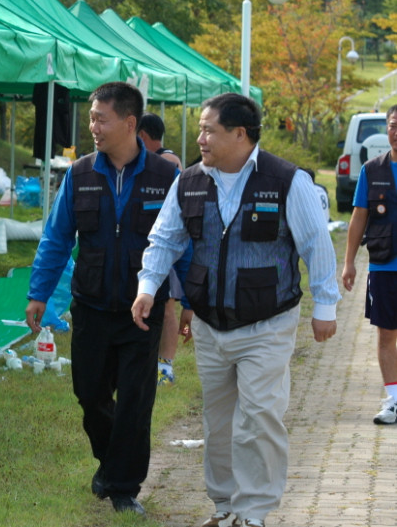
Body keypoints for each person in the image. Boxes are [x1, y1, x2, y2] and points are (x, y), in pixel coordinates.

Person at [131, 93, 339, 527]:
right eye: (200, 129)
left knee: (259, 416)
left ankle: (253, 511)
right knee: (219, 421)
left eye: (209, 130)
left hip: (268, 323)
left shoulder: (286, 181)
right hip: (210, 325)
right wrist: (148, 286)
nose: (200, 138)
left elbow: (316, 243)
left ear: (240, 134)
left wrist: (326, 305)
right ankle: (225, 505)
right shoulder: (188, 181)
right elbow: (165, 238)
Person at [24, 82, 180, 516]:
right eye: (91, 118)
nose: (92, 127)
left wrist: (186, 301)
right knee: (89, 395)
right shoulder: (80, 174)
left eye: (100, 119)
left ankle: (124, 488)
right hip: (91, 307)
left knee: (134, 403)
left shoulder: (165, 177)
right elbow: (56, 238)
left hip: (142, 313)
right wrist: (39, 293)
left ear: (129, 123)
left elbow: (182, 244)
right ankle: (111, 463)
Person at [342, 104, 397, 425]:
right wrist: (348, 262)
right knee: (386, 333)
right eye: (393, 125)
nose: (396, 132)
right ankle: (393, 399)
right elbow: (358, 217)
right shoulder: (371, 171)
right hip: (384, 265)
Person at [138, 112, 192, 386]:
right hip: (153, 247)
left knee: (168, 306)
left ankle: (166, 366)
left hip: (167, 248)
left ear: (141, 135)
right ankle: (154, 363)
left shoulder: (167, 162)